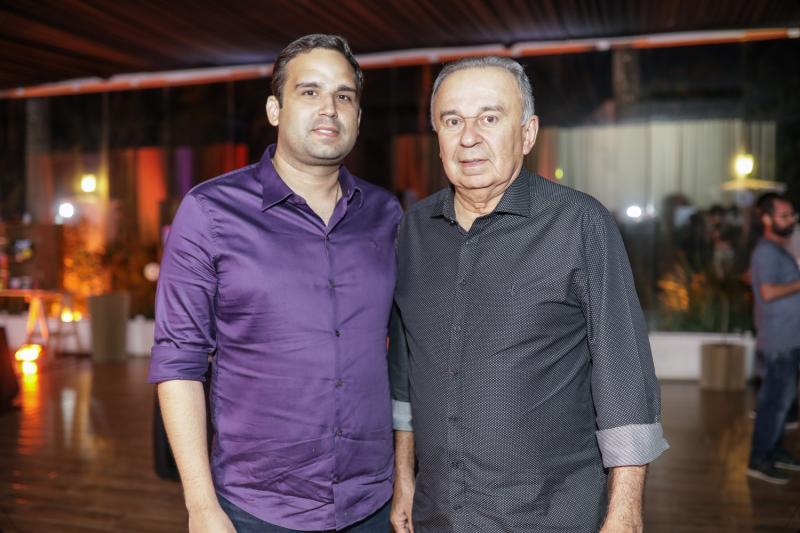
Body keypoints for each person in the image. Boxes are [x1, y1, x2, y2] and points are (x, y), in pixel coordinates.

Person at [389, 56, 668, 533]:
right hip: (440, 514)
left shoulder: (579, 224)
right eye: (452, 121)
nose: (468, 137)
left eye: (489, 118)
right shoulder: (413, 231)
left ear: (528, 133)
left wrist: (625, 511)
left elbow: (623, 375)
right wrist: (403, 478)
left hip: (549, 514)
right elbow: (405, 370)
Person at [148, 34, 402, 532]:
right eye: (309, 91)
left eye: (344, 95)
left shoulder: (385, 214)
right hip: (256, 509)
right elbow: (178, 361)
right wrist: (201, 507)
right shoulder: (210, 212)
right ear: (274, 109)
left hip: (371, 503)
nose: (329, 108)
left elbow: (403, 355)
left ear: (358, 116)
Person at [747, 192, 800, 484]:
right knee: (774, 403)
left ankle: (774, 450)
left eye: (792, 215)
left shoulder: (778, 248)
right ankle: (759, 459)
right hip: (778, 342)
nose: (791, 220)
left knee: (784, 401)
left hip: (787, 339)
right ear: (766, 219)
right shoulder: (766, 252)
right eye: (784, 215)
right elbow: (767, 292)